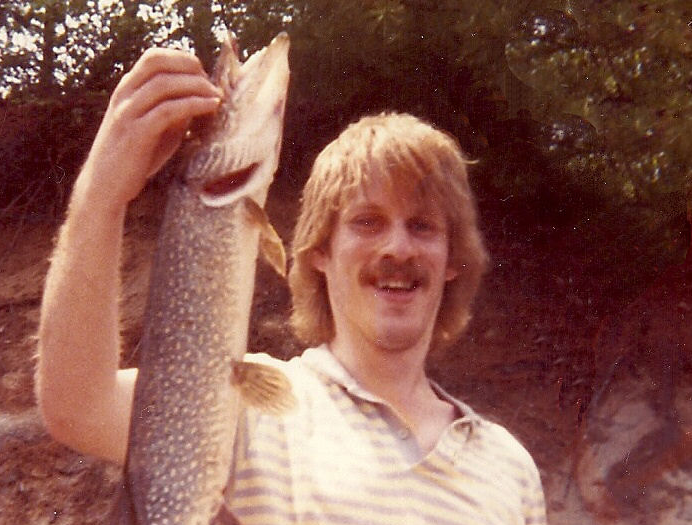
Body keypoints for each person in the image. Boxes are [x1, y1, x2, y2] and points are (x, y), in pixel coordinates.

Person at [36, 47, 547, 524]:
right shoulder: (238, 400)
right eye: (367, 222)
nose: (397, 248)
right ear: (318, 252)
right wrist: (101, 190)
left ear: (452, 260)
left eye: (423, 226)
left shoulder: (512, 469)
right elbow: (78, 405)